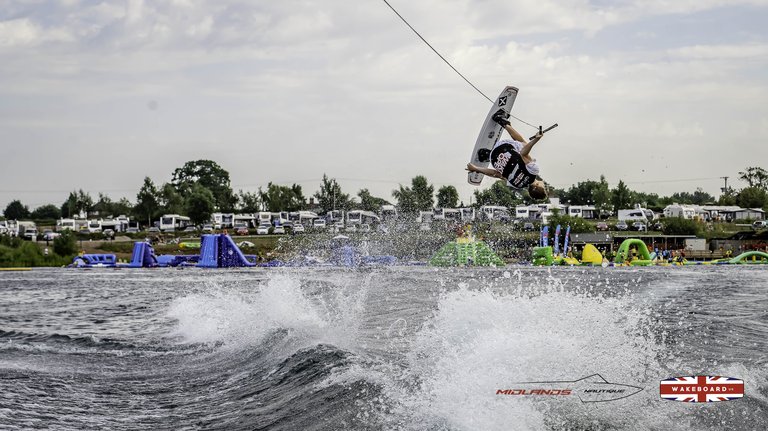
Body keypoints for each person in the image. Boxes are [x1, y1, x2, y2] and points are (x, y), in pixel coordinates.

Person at [466, 109, 548, 200]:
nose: (544, 185)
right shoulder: (517, 185)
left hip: (502, 147)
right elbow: (496, 174)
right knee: (507, 167)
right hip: (494, 158)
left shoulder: (534, 170)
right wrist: (476, 169)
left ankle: (502, 121)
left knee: (523, 143)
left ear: (536, 185)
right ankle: (485, 155)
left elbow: (523, 153)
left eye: (543, 187)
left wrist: (536, 140)